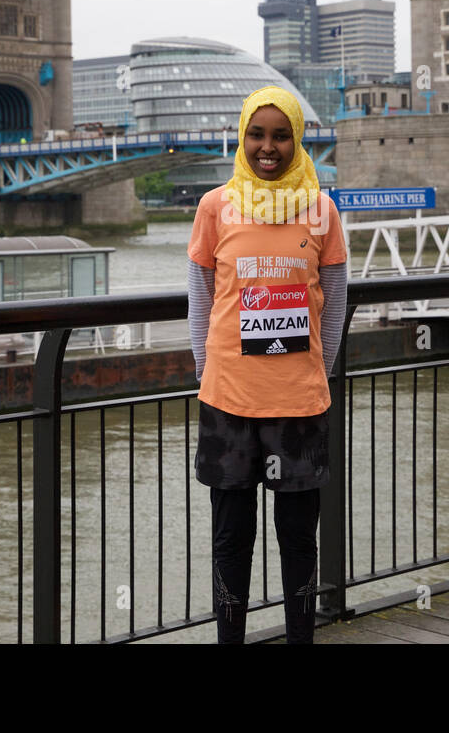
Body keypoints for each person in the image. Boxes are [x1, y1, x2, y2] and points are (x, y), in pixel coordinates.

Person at [186, 85, 347, 644]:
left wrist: (316, 373)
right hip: (228, 401)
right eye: (257, 134)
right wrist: (208, 369)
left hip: (299, 404)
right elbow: (202, 295)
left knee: (299, 539)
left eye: (281, 135)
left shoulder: (322, 210)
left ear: (298, 138)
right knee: (232, 538)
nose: (268, 147)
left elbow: (335, 295)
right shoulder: (216, 206)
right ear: (242, 137)